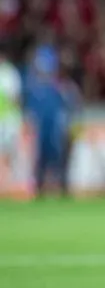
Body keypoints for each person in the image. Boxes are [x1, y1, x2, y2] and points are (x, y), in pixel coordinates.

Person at [23, 47, 79, 198]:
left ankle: (63, 188)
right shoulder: (35, 89)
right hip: (43, 131)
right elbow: (30, 113)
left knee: (60, 160)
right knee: (41, 159)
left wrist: (70, 128)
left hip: (57, 130)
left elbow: (71, 109)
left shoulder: (61, 87)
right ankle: (40, 189)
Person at [0, 45, 23, 177]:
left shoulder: (9, 73)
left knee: (9, 153)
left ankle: (9, 183)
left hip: (8, 120)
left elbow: (15, 98)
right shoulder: (10, 73)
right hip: (6, 119)